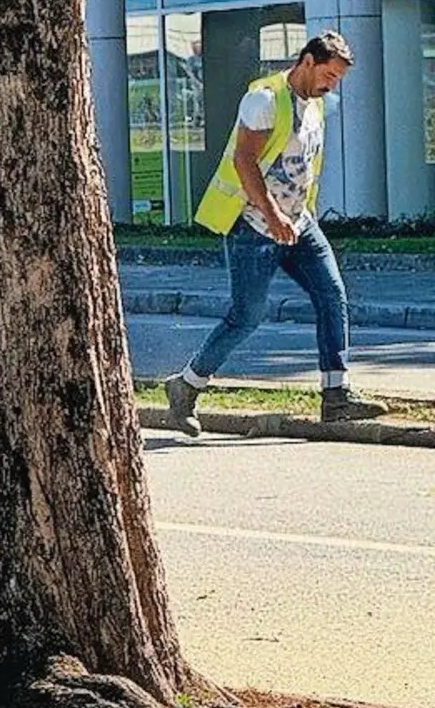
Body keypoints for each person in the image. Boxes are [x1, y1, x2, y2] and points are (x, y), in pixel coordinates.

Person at [165, 30, 387, 434]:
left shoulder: (315, 105)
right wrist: (272, 215)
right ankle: (186, 387)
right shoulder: (264, 100)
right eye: (329, 76)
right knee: (246, 317)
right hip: (254, 226)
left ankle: (336, 396)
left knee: (332, 294)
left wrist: (298, 216)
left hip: (299, 224)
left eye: (337, 79)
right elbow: (244, 162)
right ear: (307, 61)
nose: (332, 85)